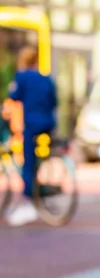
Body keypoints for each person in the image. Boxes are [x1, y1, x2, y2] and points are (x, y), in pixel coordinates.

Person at [6, 46, 57, 227]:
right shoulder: (46, 78)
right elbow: (54, 101)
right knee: (40, 155)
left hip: (32, 124)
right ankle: (41, 186)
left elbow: (13, 96)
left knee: (28, 161)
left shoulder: (22, 77)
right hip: (48, 124)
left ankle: (28, 200)